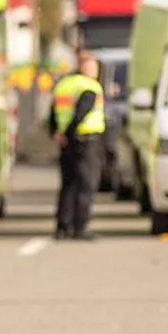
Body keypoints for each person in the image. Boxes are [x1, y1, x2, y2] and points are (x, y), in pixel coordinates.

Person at [50, 54, 105, 240]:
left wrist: (56, 132)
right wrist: (69, 132)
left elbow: (53, 111)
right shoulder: (89, 86)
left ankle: (62, 226)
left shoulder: (64, 84)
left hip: (67, 143)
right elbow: (81, 112)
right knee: (86, 184)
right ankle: (80, 226)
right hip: (85, 140)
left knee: (68, 184)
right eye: (93, 67)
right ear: (86, 67)